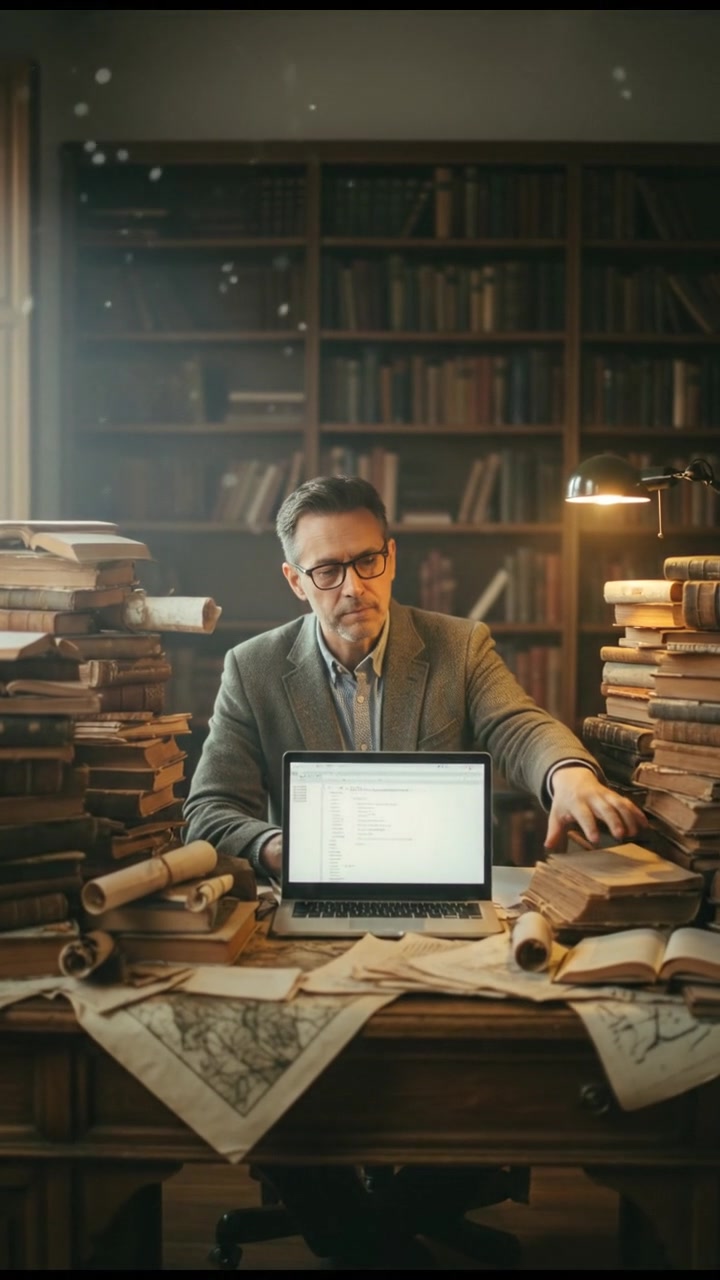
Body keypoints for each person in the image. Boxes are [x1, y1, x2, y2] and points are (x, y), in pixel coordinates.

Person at [183, 474, 647, 1266]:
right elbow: (210, 812)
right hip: (311, 913)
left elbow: (519, 724)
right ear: (296, 581)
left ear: (392, 559)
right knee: (279, 1049)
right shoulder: (252, 669)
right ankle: (372, 1230)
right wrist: (278, 849)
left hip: (440, 913)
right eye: (326, 570)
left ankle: (365, 1232)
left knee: (480, 1046)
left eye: (367, 561)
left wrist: (567, 773)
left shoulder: (459, 645)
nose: (351, 585)